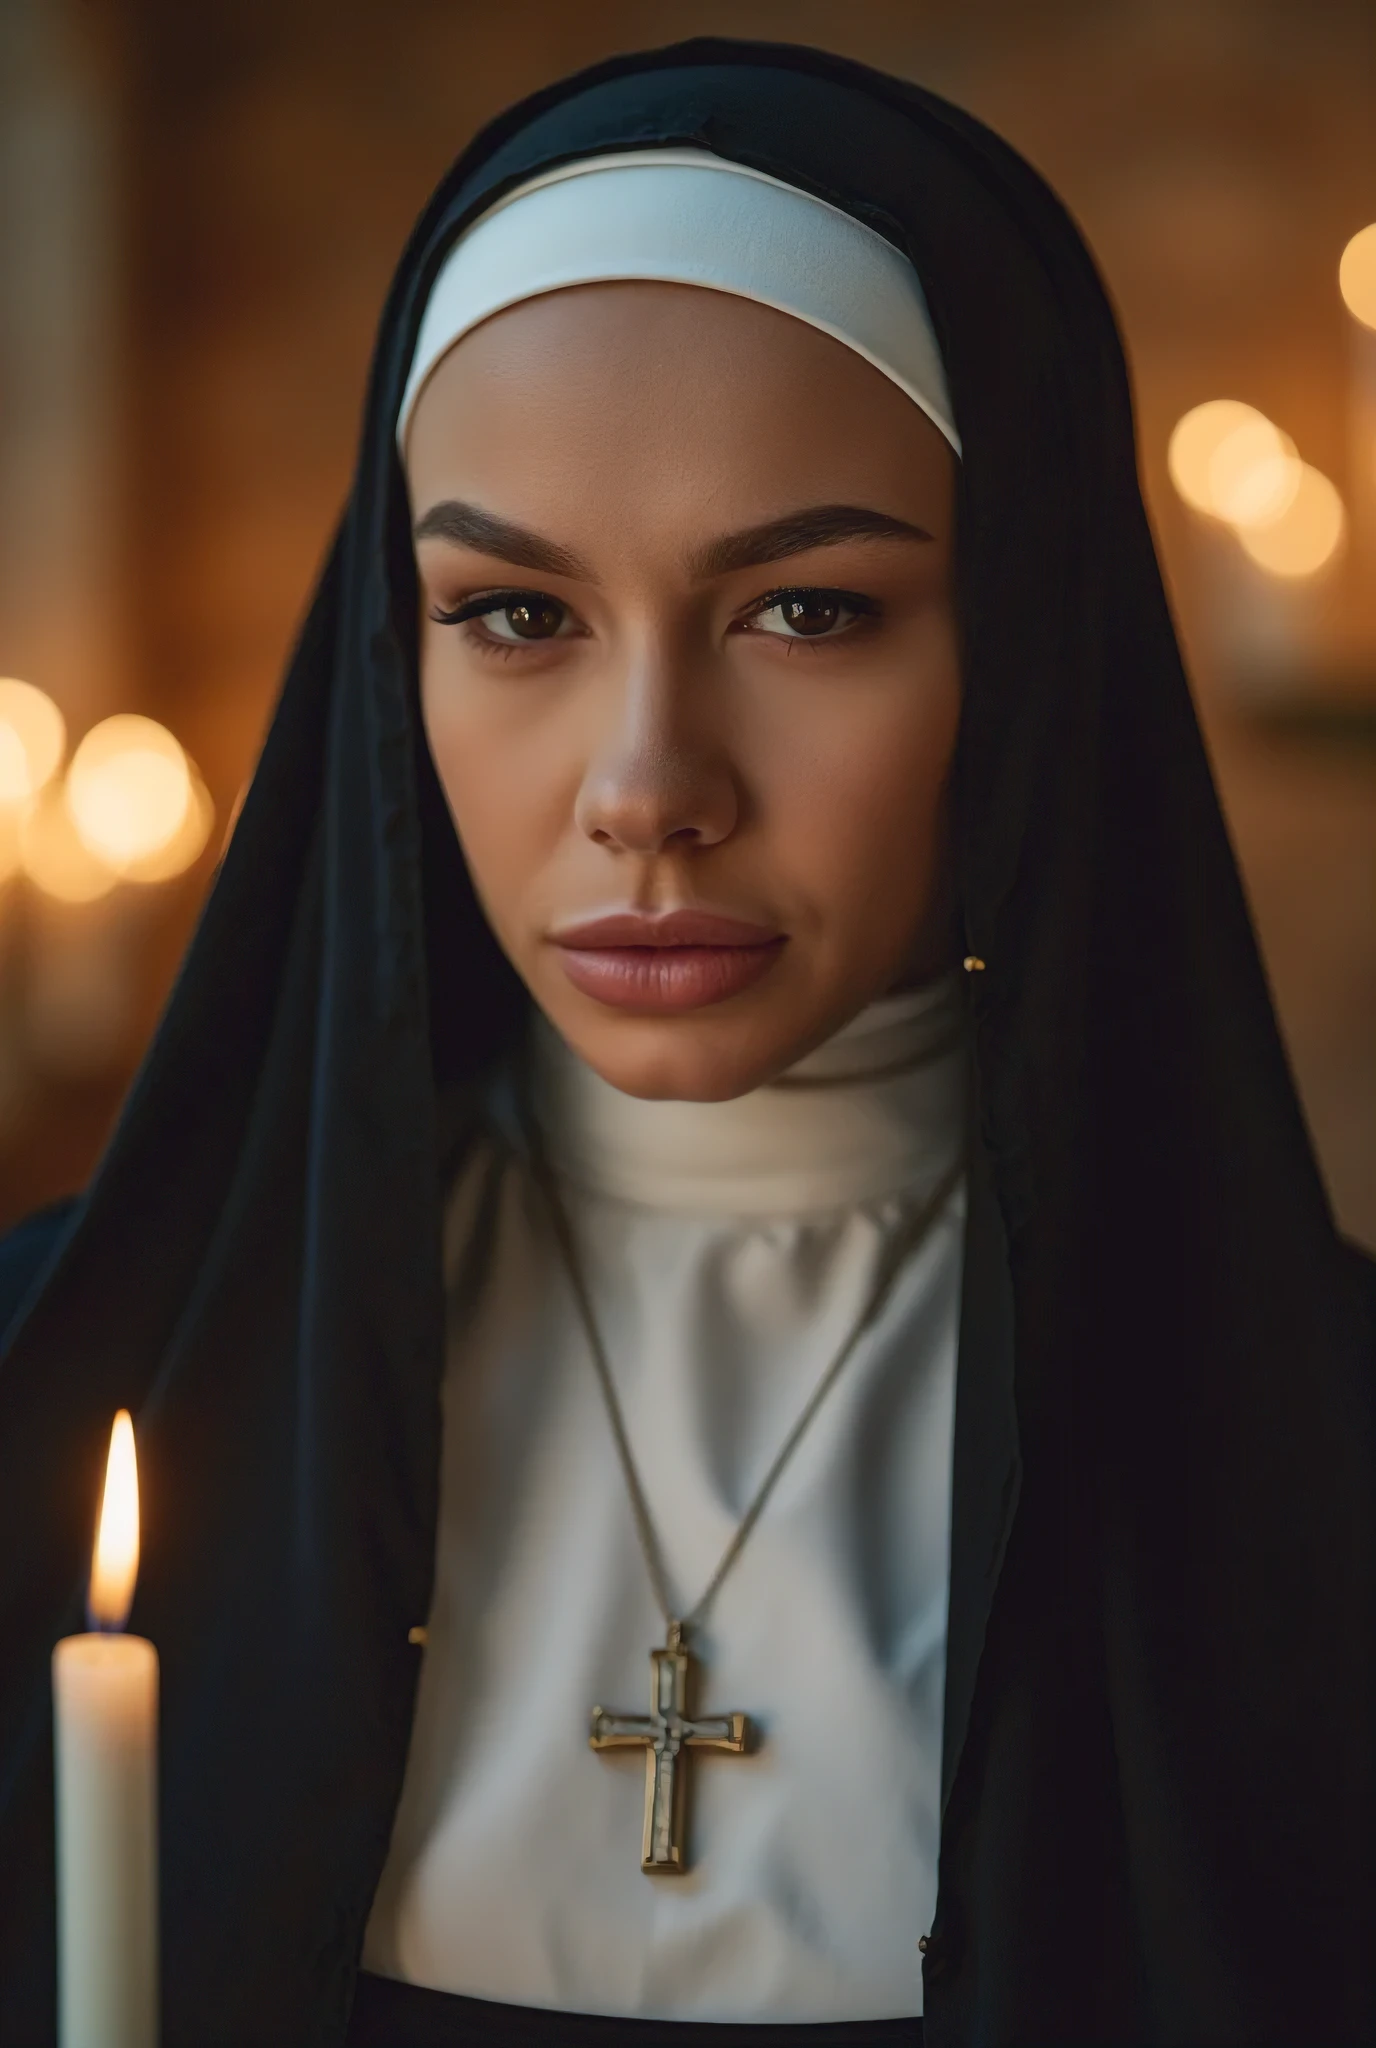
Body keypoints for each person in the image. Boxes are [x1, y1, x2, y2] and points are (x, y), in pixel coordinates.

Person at [0, 37, 1371, 2048]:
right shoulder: (54, 1401)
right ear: (396, 654)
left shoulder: (1325, 1473)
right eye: (516, 616)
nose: (647, 789)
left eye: (805, 611)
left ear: (1023, 636)